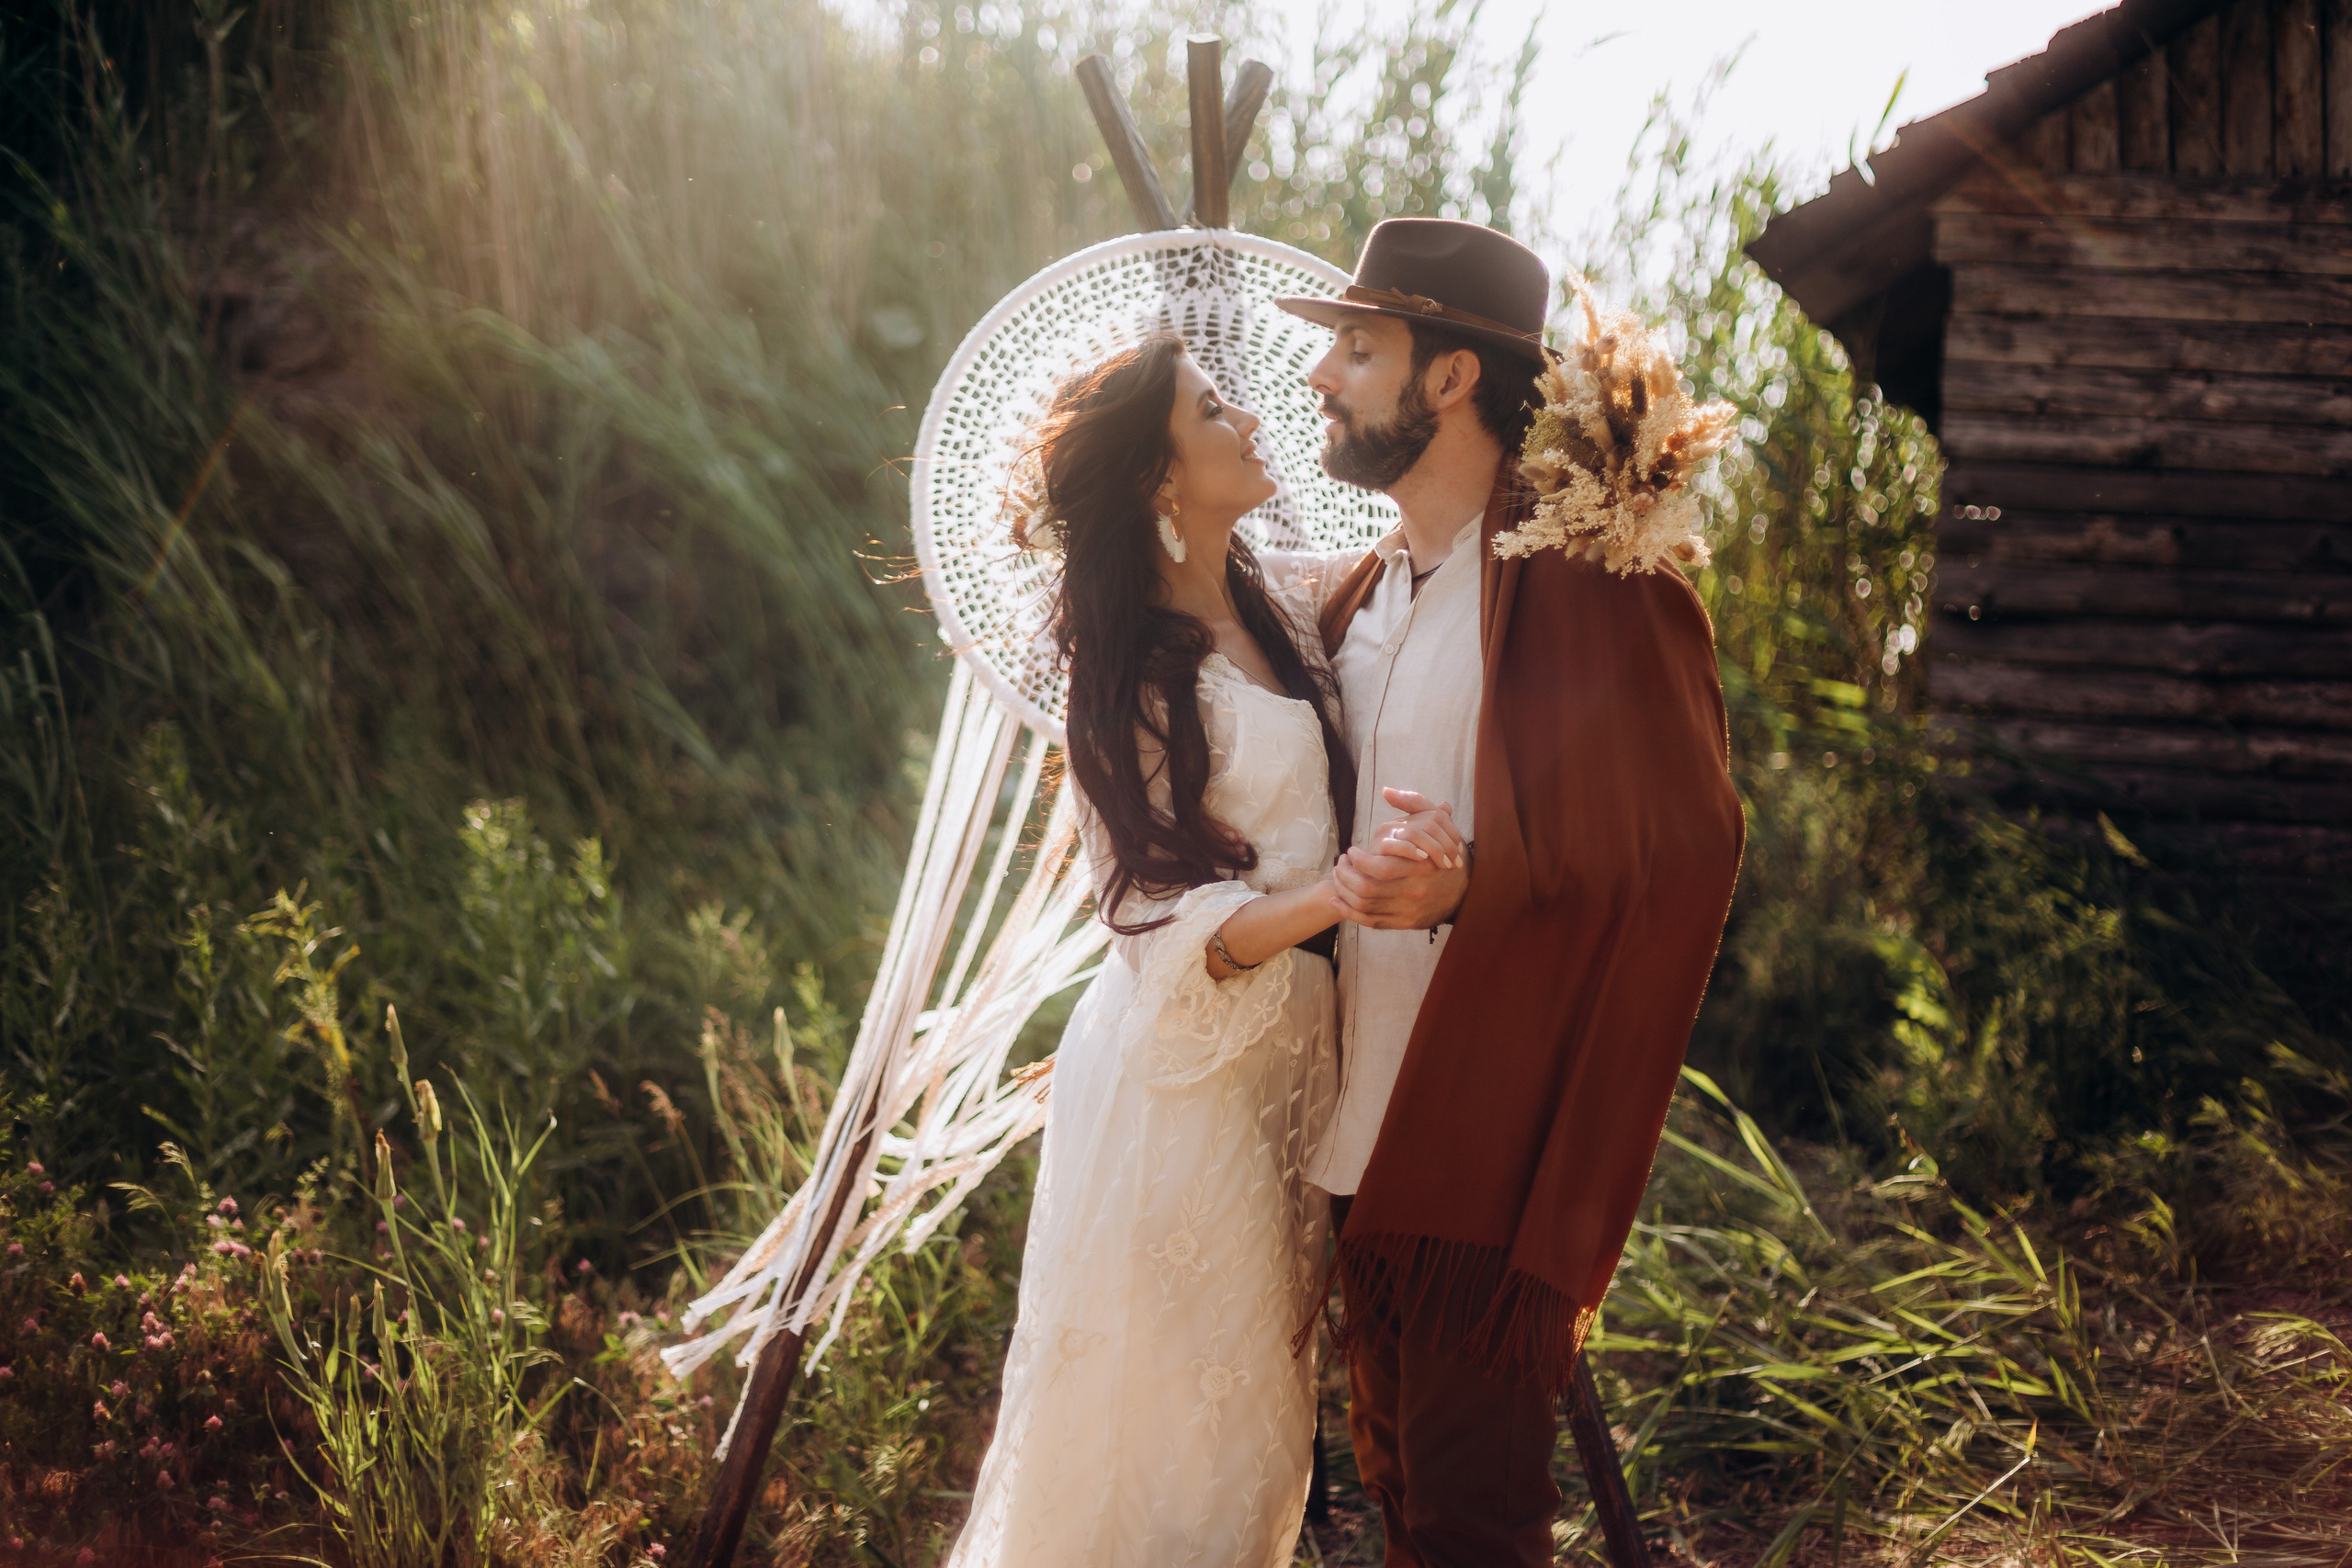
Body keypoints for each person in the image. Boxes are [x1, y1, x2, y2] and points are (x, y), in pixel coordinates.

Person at [1266, 218, 1748, 1564]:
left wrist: (1482, 886)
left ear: (1450, 379)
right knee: (1401, 1490)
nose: (1324, 378)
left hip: (1487, 1118)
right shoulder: (1363, 592)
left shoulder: (1590, 583)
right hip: (1356, 1115)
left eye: (1359, 349)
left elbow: (1688, 840)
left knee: (1475, 1520)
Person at [943, 333, 1459, 1566]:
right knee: (1168, 1429)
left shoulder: (1282, 602)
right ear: (1159, 484)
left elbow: (1430, 560)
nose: (1251, 420)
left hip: (1289, 1073)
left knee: (1258, 1436)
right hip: (1178, 1082)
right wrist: (1336, 898)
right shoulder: (1119, 667)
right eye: (1212, 410)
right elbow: (1146, 922)